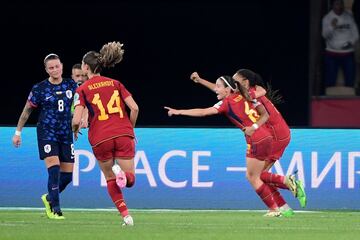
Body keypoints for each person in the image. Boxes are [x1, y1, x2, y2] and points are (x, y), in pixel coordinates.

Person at [165, 75, 297, 216]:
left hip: (256, 139)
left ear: (228, 89)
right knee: (257, 175)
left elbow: (203, 112)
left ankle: (276, 203)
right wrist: (254, 126)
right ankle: (282, 204)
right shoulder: (245, 95)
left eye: (219, 87)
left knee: (253, 177)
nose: (216, 89)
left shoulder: (227, 103)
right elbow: (265, 113)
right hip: (266, 136)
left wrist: (179, 111)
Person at [72, 41, 139, 226]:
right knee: (129, 180)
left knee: (110, 178)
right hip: (123, 133)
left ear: (86, 67)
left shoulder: (82, 89)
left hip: (100, 137)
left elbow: (76, 119)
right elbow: (134, 108)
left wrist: (75, 131)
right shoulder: (116, 83)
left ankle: (126, 216)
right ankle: (124, 176)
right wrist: (129, 129)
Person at [12, 53, 78, 220]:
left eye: (57, 66)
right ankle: (55, 209)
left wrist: (79, 122)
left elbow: (80, 106)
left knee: (68, 176)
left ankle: (49, 197)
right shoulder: (39, 88)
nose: (55, 70)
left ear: (62, 66)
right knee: (54, 170)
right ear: (46, 70)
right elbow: (27, 110)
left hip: (65, 133)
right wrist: (18, 132)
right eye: (51, 67)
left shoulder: (71, 85)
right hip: (46, 132)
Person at [322, 0, 359, 89]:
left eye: (341, 4)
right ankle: (329, 101)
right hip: (332, 54)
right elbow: (324, 35)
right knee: (330, 82)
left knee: (350, 81)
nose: (339, 7)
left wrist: (350, 43)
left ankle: (349, 101)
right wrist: (332, 27)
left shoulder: (349, 16)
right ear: (333, 6)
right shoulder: (327, 18)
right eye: (337, 4)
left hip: (347, 54)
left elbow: (356, 34)